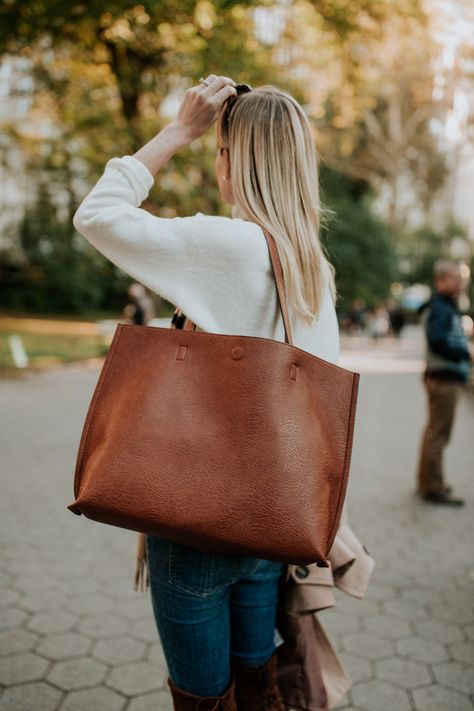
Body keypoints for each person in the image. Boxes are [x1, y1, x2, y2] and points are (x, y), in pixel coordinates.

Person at [72, 74, 372, 710]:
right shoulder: (310, 263)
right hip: (270, 525)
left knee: (203, 697)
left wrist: (180, 130)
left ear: (234, 159)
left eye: (219, 151)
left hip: (197, 523)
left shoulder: (225, 244)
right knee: (256, 681)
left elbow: (95, 214)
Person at [416, 260, 473, 506]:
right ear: (441, 280)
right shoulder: (441, 307)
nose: (461, 283)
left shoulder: (443, 306)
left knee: (433, 432)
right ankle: (433, 487)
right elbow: (437, 340)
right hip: (444, 378)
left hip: (440, 377)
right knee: (439, 433)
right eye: (456, 278)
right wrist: (465, 354)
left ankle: (427, 482)